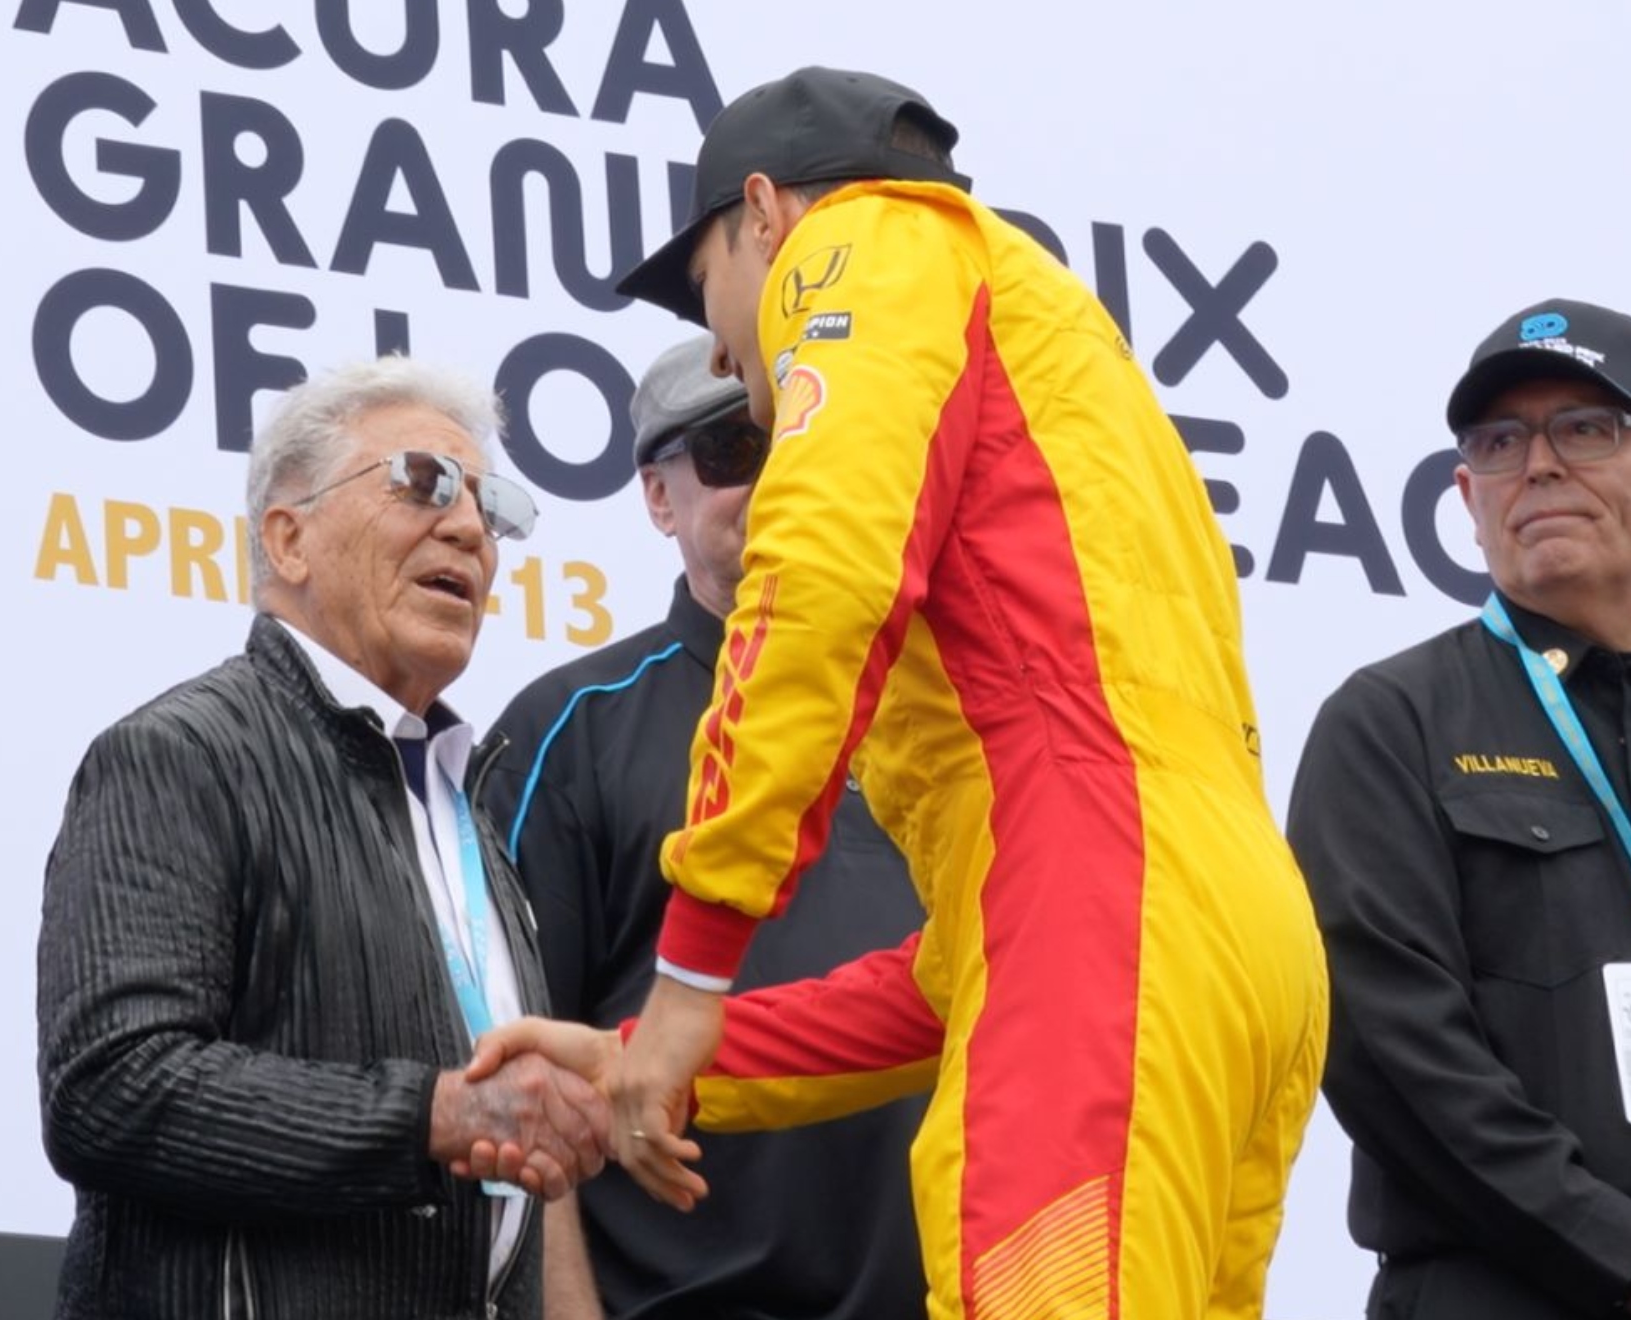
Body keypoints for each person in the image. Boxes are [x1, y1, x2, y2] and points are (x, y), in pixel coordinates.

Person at [473, 66, 1329, 1320]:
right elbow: (963, 976)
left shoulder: (862, 244)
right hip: (1242, 951)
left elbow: (818, 578)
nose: (721, 345)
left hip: (1111, 928)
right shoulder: (1060, 357)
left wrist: (687, 978)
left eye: (710, 287)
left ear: (765, 215)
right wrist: (635, 1065)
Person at [37, 357, 610, 1319]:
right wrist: (435, 1114)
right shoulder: (178, 755)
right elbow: (109, 1088)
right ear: (288, 539)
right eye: (422, 481)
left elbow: (526, 1188)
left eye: (488, 504)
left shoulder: (466, 813)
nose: (470, 527)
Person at [482, 336, 928, 1320]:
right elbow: (515, 1071)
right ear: (657, 495)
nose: (776, 478)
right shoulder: (573, 729)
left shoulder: (945, 723)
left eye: (803, 443)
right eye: (733, 451)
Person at [1288, 298, 1631, 1319]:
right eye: (1498, 441)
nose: (1537, 466)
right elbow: (1402, 1067)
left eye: (1584, 428)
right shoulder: (1390, 723)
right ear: (1466, 494)